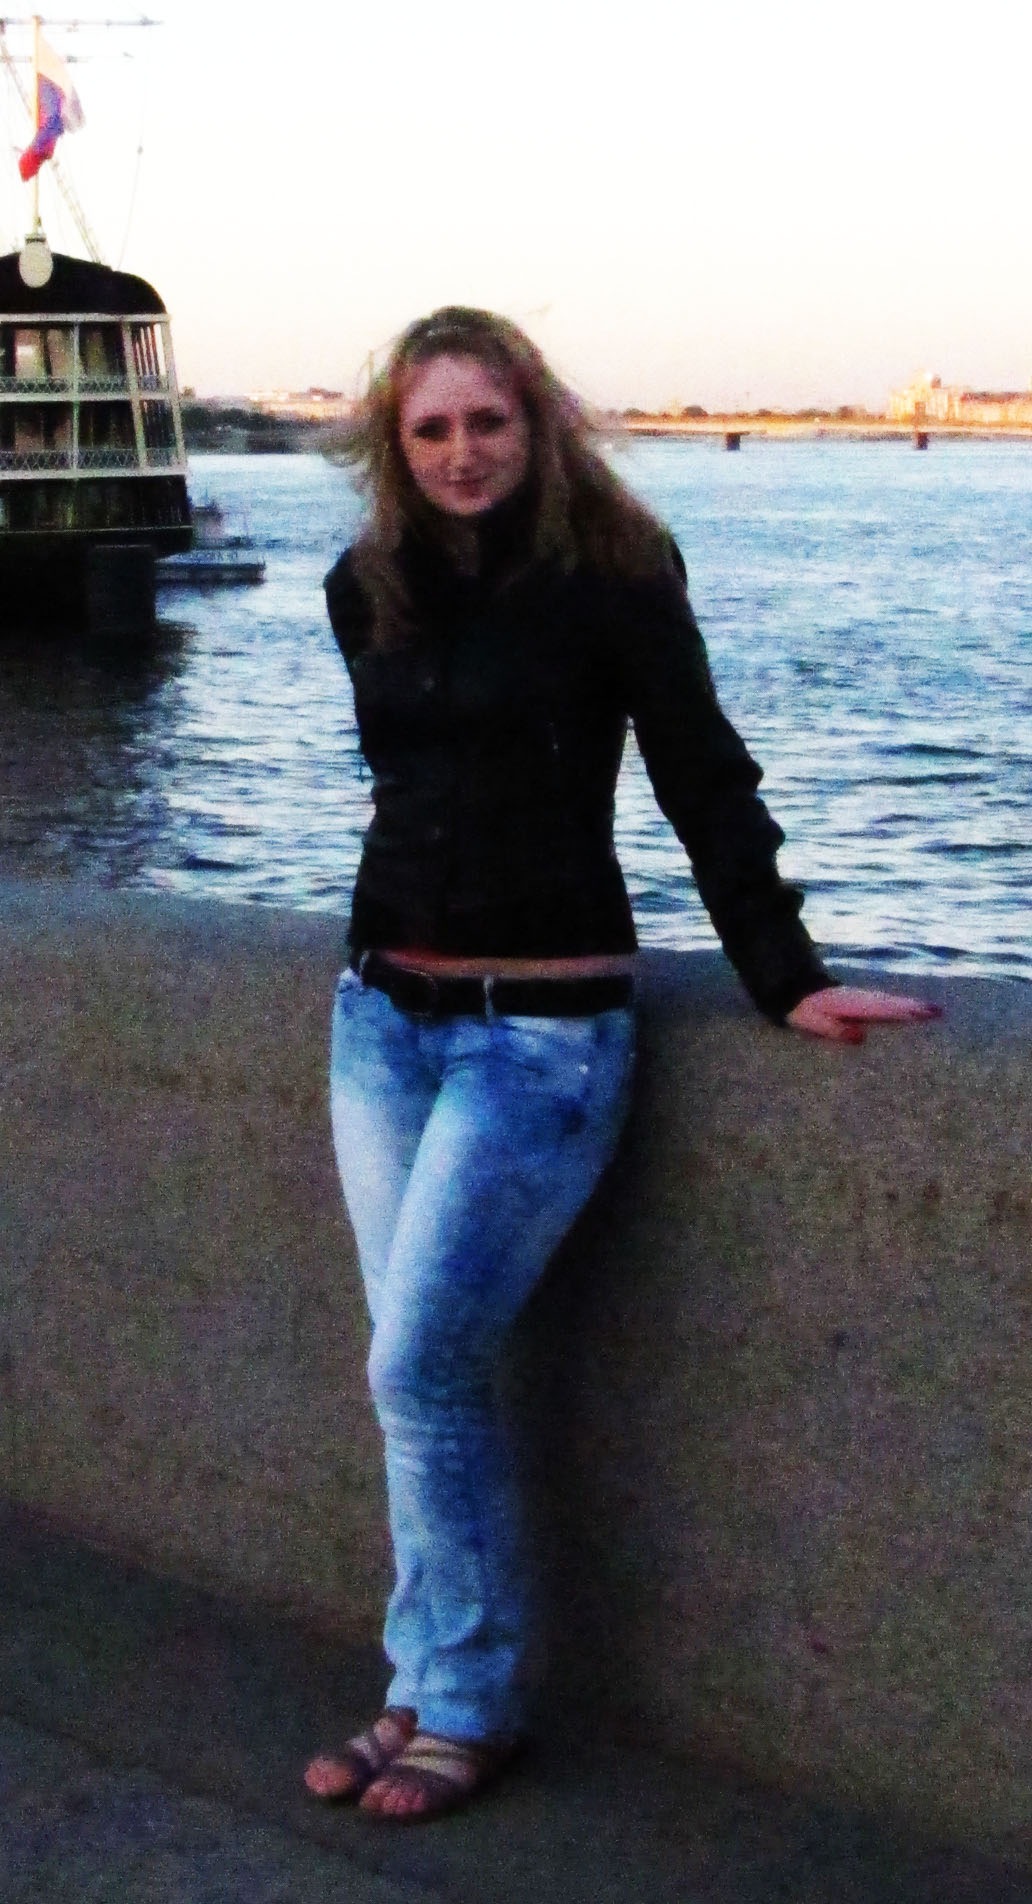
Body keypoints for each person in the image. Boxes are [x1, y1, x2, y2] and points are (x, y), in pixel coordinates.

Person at [303, 307, 938, 1822]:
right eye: (432, 428)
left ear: (539, 426)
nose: (463, 452)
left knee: (419, 1366)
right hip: (382, 1020)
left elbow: (703, 775)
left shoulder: (616, 576)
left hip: (543, 1032)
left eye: (489, 422)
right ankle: (423, 1681)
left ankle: (465, 1699)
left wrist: (784, 974)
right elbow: (408, 790)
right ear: (396, 443)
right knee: (416, 1374)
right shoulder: (363, 586)